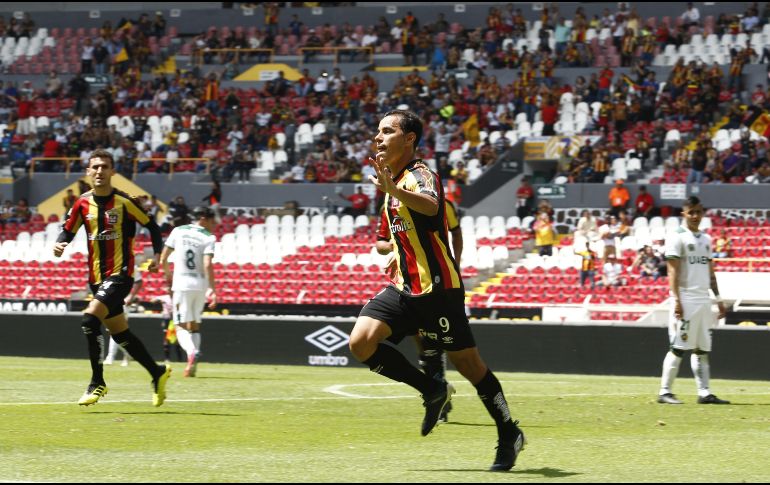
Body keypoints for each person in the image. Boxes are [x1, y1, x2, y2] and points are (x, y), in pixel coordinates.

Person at [350, 110, 525, 471]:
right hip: (404, 287)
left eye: (387, 131)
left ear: (409, 138)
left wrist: (393, 190)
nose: (378, 138)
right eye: (377, 131)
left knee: (469, 365)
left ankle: (509, 433)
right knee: (360, 343)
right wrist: (391, 245)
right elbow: (390, 237)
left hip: (439, 290)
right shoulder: (391, 183)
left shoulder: (419, 176)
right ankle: (432, 389)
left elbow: (431, 207)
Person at [54, 149, 171, 407]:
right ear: (87, 172)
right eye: (95, 167)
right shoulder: (82, 204)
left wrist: (158, 255)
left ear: (112, 171)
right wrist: (60, 244)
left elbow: (151, 224)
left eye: (104, 167)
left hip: (121, 275)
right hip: (96, 277)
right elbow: (67, 230)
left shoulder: (125, 202)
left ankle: (97, 382)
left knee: (89, 319)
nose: (99, 171)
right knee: (120, 333)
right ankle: (157, 372)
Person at [375, 197, 463, 423]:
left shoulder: (437, 202)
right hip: (405, 284)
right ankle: (438, 392)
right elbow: (380, 243)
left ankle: (438, 392)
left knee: (438, 341)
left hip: (436, 280)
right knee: (420, 339)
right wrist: (399, 247)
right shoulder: (389, 204)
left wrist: (456, 263)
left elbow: (456, 231)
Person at [658, 196, 730, 405]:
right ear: (684, 214)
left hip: (703, 300)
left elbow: (710, 273)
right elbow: (672, 272)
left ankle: (704, 392)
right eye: (692, 212)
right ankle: (664, 391)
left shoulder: (706, 239)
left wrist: (718, 299)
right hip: (686, 297)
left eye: (699, 212)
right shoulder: (677, 237)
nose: (696, 216)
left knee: (702, 348)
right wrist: (676, 300)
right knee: (679, 347)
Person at [160, 206, 218, 378]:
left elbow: (163, 258)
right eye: (212, 220)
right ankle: (193, 362)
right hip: (199, 285)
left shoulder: (178, 231)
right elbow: (207, 264)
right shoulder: (209, 237)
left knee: (180, 326)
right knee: (194, 324)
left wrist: (168, 275)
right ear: (203, 218)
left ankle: (192, 353)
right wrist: (212, 289)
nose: (213, 225)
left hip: (182, 284)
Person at [104, 264, 143, 366]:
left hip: (123, 301)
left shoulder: (130, 264)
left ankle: (111, 356)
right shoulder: (108, 262)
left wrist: (130, 296)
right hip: (110, 299)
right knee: (114, 330)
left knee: (115, 329)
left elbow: (138, 282)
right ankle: (128, 353)